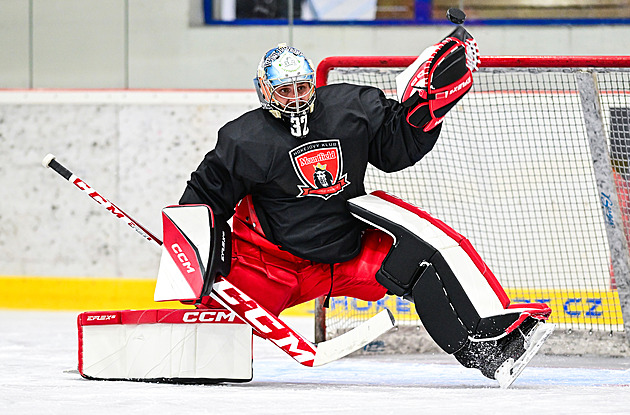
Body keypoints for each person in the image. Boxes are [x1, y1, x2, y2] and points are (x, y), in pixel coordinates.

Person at [179, 40, 552, 384]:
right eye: (284, 90)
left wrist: (425, 112)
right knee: (206, 340)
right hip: (271, 267)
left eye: (302, 88)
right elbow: (202, 198)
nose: (294, 99)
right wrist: (202, 258)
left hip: (345, 255)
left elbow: (395, 148)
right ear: (264, 90)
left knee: (421, 266)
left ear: (312, 84)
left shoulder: (349, 108)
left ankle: (487, 352)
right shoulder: (243, 139)